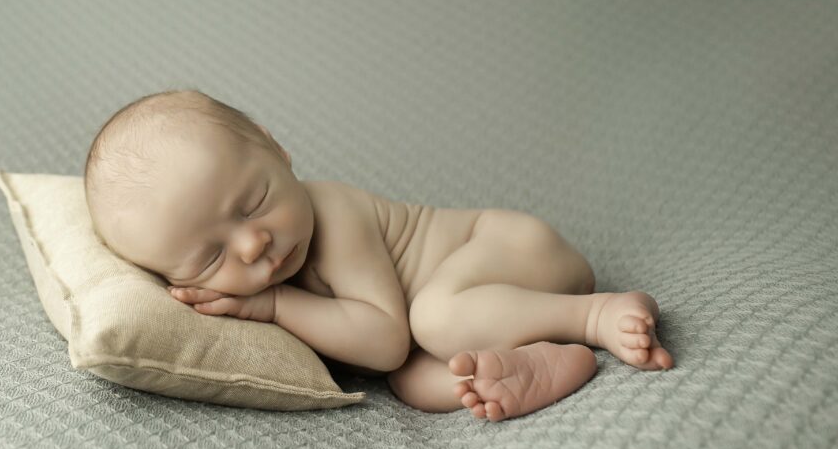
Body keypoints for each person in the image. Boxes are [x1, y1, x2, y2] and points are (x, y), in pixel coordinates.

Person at [84, 89, 673, 421]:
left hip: (511, 252)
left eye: (255, 201)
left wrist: (273, 307)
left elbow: (384, 335)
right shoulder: (255, 262)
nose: (252, 244)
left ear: (276, 149)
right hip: (478, 318)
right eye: (211, 260)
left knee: (431, 321)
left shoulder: (332, 214)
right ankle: (543, 361)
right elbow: (395, 358)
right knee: (417, 383)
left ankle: (595, 314)